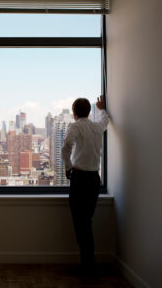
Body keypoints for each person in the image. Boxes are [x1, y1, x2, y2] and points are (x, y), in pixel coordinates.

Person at [62, 95, 109, 271]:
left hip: (80, 179)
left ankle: (87, 265)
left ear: (74, 113)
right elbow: (106, 121)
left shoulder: (74, 127)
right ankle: (88, 263)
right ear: (89, 112)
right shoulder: (97, 127)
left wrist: (68, 167)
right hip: (94, 180)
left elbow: (66, 145)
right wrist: (102, 108)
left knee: (80, 222)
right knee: (86, 220)